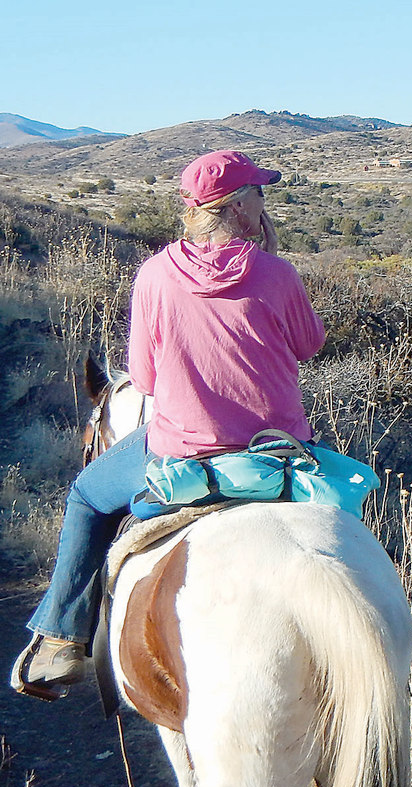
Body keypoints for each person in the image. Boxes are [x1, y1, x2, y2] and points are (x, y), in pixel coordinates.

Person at [11, 150, 326, 698]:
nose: (264, 200)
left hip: (181, 453)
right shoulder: (278, 273)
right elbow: (310, 345)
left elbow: (146, 379)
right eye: (258, 192)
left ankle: (62, 639)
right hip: (277, 452)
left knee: (87, 494)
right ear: (236, 205)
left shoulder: (155, 274)